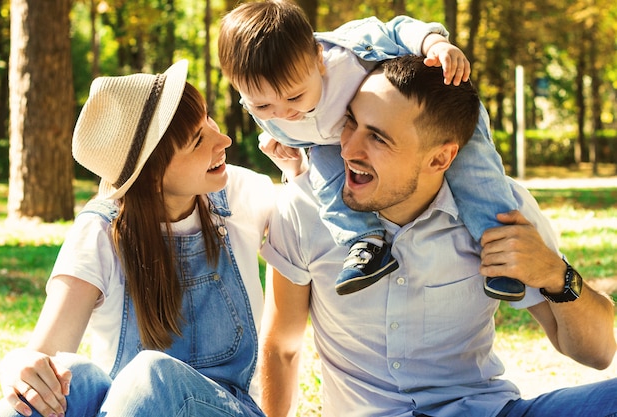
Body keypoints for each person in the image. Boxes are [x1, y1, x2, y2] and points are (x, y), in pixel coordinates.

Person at [258, 55, 617, 417]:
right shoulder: (302, 207)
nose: (349, 150)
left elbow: (598, 353)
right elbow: (282, 345)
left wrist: (556, 274)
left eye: (378, 138)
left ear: (440, 159)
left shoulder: (502, 212)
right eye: (350, 122)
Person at [0, 60, 285, 417]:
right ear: (152, 174)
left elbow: (315, 235)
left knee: (152, 375)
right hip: (133, 407)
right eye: (198, 140)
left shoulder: (242, 194)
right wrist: (18, 366)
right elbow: (45, 355)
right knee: (70, 379)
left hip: (227, 409)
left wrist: (300, 167)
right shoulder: (102, 230)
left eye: (208, 119)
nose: (223, 140)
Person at [218, 0, 524, 300]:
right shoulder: (267, 107)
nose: (284, 112)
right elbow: (295, 135)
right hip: (333, 140)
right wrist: (293, 160)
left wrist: (434, 45)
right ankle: (366, 244)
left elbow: (396, 29)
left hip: (425, 110)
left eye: (296, 97)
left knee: (474, 171)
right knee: (328, 186)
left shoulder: (348, 56)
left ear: (318, 59)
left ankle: (501, 244)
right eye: (263, 105)